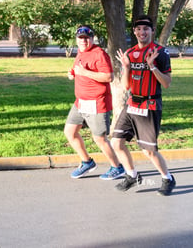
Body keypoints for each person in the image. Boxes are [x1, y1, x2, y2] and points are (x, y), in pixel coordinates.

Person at [112, 15, 176, 196]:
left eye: (146, 29)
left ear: (152, 31)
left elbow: (167, 83)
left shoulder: (160, 53)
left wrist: (152, 66)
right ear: (134, 31)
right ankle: (132, 176)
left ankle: (168, 178)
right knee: (116, 143)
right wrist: (127, 67)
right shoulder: (130, 53)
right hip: (132, 103)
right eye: (139, 29)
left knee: (149, 151)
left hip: (150, 105)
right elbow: (126, 86)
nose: (142, 32)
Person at [64, 25, 125, 180]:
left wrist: (84, 73)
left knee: (99, 138)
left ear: (92, 38)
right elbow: (78, 67)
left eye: (87, 38)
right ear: (77, 39)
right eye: (81, 38)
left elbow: (108, 77)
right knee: (70, 132)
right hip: (80, 102)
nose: (83, 41)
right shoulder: (81, 52)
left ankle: (117, 167)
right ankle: (87, 162)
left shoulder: (99, 54)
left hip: (97, 102)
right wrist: (73, 73)